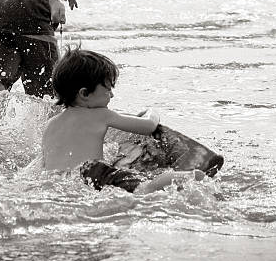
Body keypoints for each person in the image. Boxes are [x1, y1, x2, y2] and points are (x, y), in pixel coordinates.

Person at [42, 47, 205, 194]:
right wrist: (151, 112)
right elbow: (149, 126)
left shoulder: (50, 124)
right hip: (91, 171)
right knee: (145, 188)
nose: (111, 95)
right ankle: (191, 176)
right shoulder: (101, 114)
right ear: (84, 94)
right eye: (107, 89)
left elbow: (45, 164)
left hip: (59, 182)